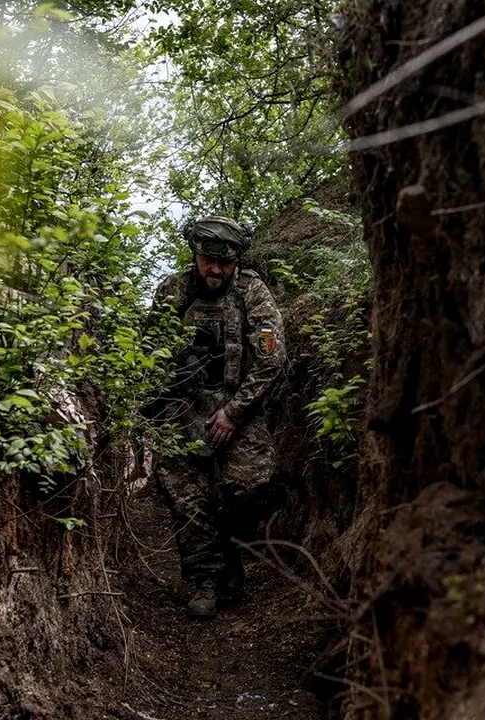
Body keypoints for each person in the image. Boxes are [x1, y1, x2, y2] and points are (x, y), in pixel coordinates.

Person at [148, 215, 286, 619]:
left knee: (248, 484)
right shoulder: (175, 289)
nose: (216, 270)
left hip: (237, 405)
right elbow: (148, 349)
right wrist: (171, 375)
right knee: (186, 497)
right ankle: (205, 580)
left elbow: (270, 359)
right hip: (182, 408)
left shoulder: (252, 293)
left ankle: (233, 551)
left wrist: (234, 411)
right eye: (208, 261)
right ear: (195, 255)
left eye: (225, 263)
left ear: (237, 261)